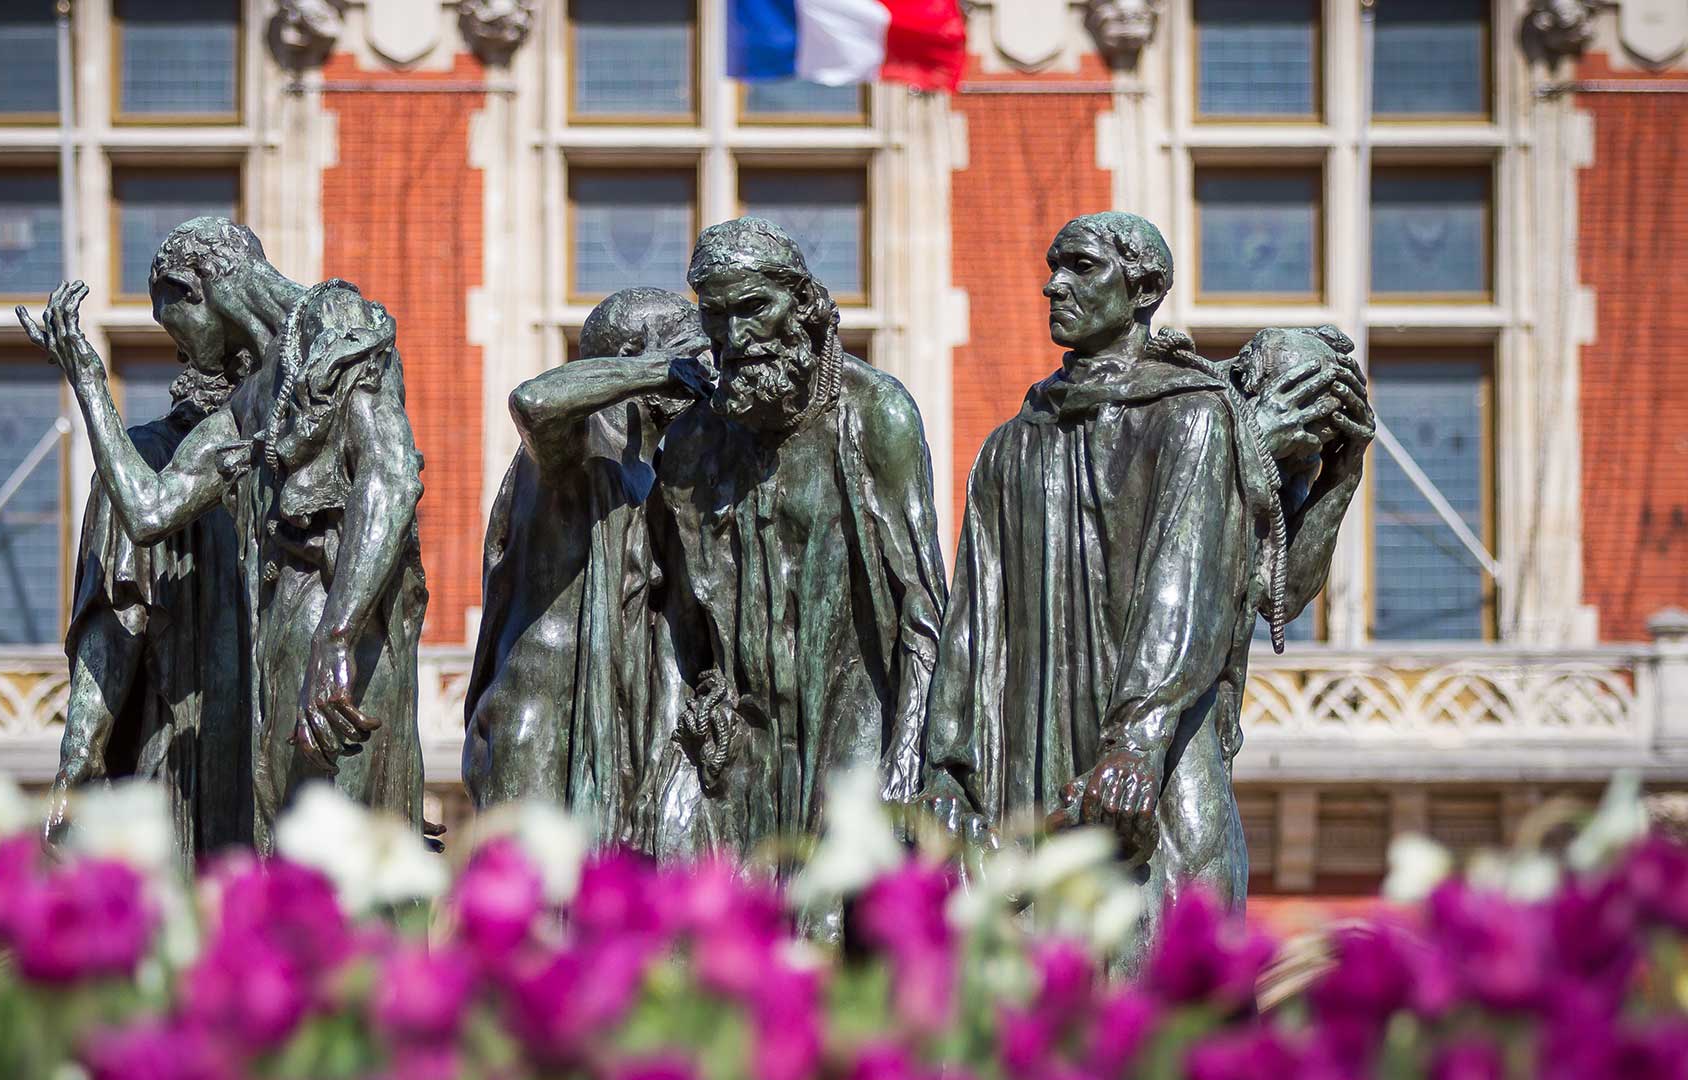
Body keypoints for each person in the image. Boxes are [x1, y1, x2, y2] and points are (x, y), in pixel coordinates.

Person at [920, 212, 1367, 963]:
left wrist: (1136, 743)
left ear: (1145, 290)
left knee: (1173, 956)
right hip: (1036, 746)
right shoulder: (1009, 447)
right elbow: (975, 617)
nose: (1052, 283)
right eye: (1054, 264)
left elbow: (1200, 590)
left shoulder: (1193, 416)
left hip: (1158, 753)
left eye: (1082, 267)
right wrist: (947, 771)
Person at [19, 217, 433, 851]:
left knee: (338, 863)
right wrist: (89, 383)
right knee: (288, 863)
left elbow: (394, 473)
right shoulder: (249, 402)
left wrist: (339, 636)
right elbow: (150, 509)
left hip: (340, 638)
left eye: (171, 322)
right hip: (281, 644)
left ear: (194, 287)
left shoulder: (337, 317)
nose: (180, 352)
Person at [635, 218, 948, 916]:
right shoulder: (692, 442)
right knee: (702, 923)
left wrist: (909, 760)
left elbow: (925, 612)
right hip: (741, 728)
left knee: (828, 920)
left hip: (855, 707)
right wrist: (694, 691)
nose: (736, 335)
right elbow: (671, 612)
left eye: (754, 308)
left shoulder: (875, 414)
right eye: (716, 314)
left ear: (802, 307)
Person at [463, 287, 712, 842]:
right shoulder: (576, 447)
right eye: (690, 350)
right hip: (541, 720)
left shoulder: (651, 470)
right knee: (528, 912)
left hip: (619, 720)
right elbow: (532, 400)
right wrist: (658, 371)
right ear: (634, 358)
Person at [43, 245, 252, 864]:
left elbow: (112, 633)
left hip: (182, 780)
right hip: (280, 784)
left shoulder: (140, 463)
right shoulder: (299, 462)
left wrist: (73, 784)